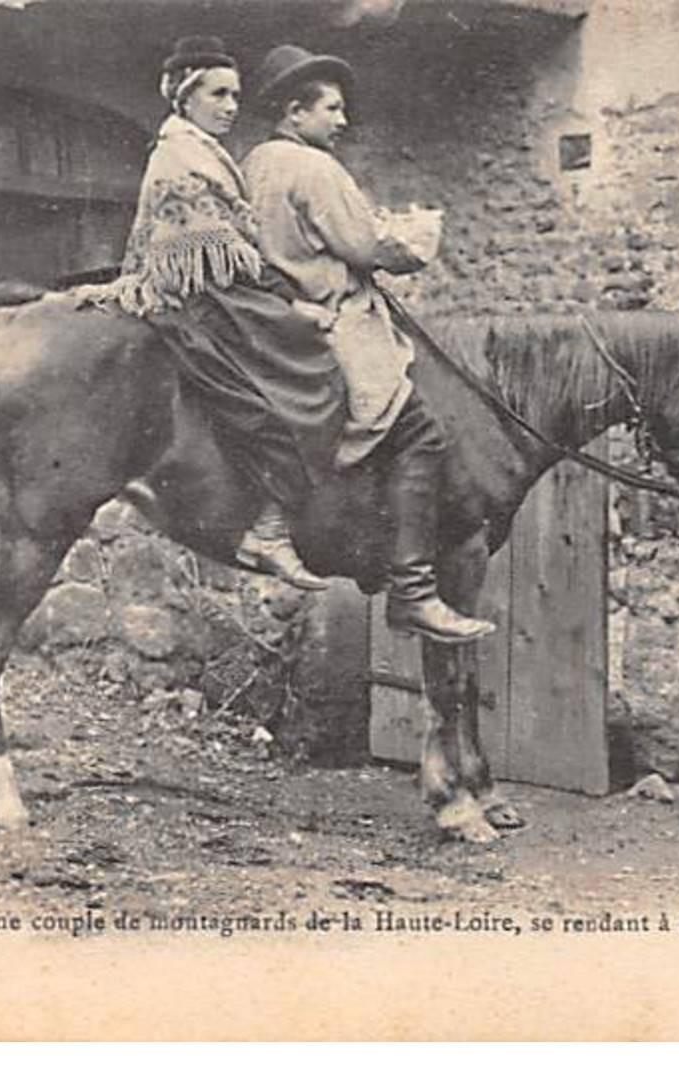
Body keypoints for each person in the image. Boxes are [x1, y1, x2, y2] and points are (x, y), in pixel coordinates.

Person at [241, 44, 495, 643]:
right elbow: (368, 247)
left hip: (277, 321)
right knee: (419, 431)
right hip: (332, 319)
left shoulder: (253, 164)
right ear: (295, 112)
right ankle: (413, 590)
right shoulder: (316, 169)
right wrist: (418, 234)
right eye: (331, 108)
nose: (343, 120)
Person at [107, 36, 331, 591]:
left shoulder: (204, 151)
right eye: (218, 94)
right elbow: (214, 264)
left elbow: (234, 249)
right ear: (185, 98)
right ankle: (269, 528)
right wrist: (293, 307)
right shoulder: (181, 158)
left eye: (235, 95)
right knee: (290, 391)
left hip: (218, 290)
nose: (231, 106)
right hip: (196, 303)